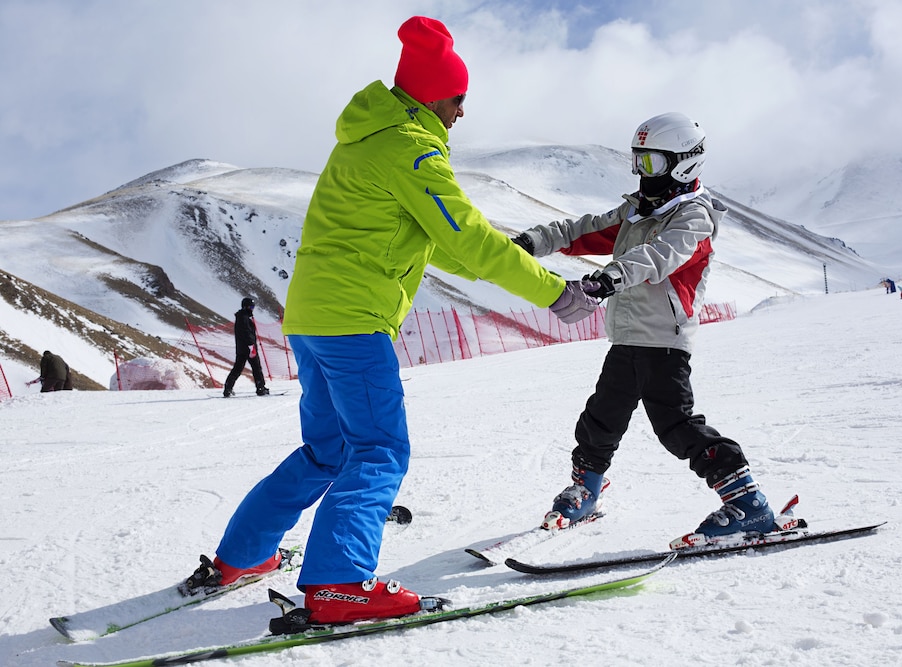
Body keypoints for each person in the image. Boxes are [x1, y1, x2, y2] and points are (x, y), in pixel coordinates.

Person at [186, 15, 597, 628]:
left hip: (311, 317)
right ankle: (340, 584)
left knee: (326, 449)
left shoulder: (364, 137)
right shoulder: (411, 147)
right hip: (354, 323)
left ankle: (241, 557)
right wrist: (554, 292)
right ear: (436, 95)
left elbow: (454, 246)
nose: (463, 112)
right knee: (378, 449)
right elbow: (471, 241)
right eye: (459, 99)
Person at [511, 112, 794, 548]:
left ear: (683, 163)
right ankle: (586, 489)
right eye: (638, 162)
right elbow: (583, 231)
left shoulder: (694, 217)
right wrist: (532, 242)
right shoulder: (638, 210)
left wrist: (606, 280)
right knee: (600, 419)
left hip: (663, 342)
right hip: (626, 337)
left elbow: (657, 257)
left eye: (653, 164)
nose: (643, 174)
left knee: (677, 426)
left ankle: (749, 504)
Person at [222, 297, 269, 397]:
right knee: (256, 368)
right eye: (251, 306)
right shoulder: (244, 317)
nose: (252, 309)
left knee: (237, 368)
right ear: (246, 306)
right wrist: (251, 346)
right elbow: (247, 333)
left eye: (253, 306)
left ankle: (228, 388)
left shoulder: (241, 316)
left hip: (241, 349)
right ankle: (261, 388)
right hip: (249, 348)